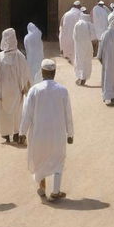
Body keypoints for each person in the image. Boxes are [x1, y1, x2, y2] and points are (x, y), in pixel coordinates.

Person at [20, 59, 74, 202]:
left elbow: (27, 114)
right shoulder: (62, 90)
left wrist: (22, 132)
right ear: (54, 73)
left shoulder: (34, 90)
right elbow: (68, 114)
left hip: (39, 134)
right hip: (57, 135)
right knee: (58, 160)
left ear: (42, 73)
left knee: (40, 159)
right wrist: (70, 134)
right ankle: (55, 191)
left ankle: (42, 188)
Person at [0, 28, 31, 144]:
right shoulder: (20, 56)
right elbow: (25, 75)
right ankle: (16, 133)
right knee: (17, 113)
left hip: (3, 93)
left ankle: (6, 135)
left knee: (4, 113)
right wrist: (25, 89)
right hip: (16, 92)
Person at [73, 7, 97, 86]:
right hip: (87, 46)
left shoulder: (77, 24)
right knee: (86, 62)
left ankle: (80, 76)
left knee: (79, 61)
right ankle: (84, 77)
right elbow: (93, 38)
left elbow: (74, 37)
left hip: (79, 47)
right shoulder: (89, 24)